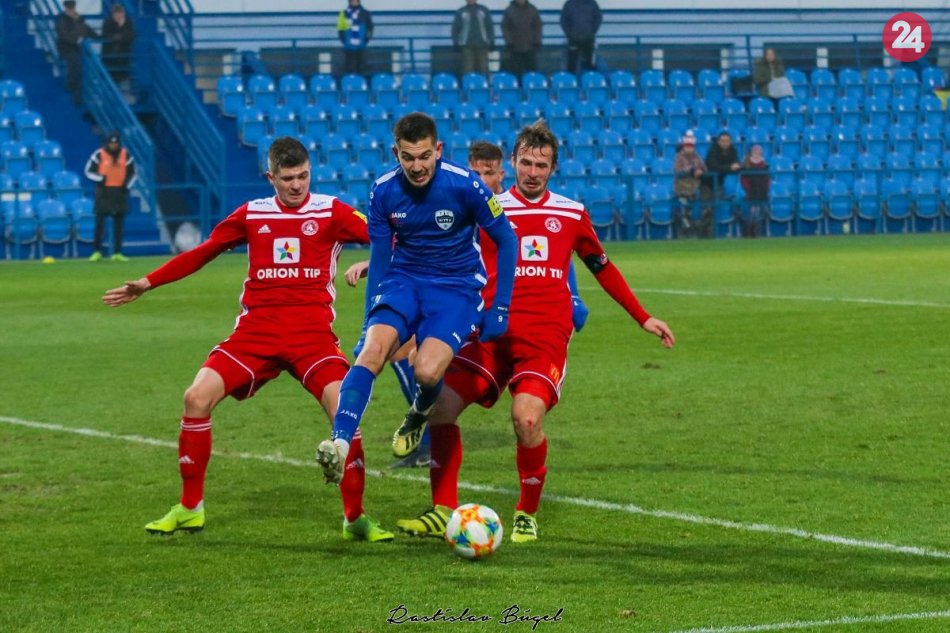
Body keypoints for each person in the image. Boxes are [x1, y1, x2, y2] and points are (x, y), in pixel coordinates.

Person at [393, 120, 675, 543]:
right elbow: (433, 242)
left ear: (553, 167)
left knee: (526, 419)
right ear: (512, 162)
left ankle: (526, 511)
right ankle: (441, 509)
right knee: (441, 408)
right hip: (490, 332)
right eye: (525, 162)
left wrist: (642, 316)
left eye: (541, 164)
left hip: (543, 337)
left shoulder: (571, 213)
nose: (532, 171)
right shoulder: (486, 206)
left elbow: (601, 266)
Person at [101, 137, 393, 543]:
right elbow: (204, 251)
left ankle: (356, 517)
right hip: (254, 335)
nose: (297, 185)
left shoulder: (332, 212)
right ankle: (190, 508)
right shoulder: (251, 214)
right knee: (195, 397)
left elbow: (389, 238)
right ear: (269, 177)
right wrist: (149, 283)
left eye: (303, 176)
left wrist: (368, 261)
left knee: (345, 408)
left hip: (312, 339)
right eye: (288, 178)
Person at [315, 113, 518, 485]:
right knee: (371, 354)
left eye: (424, 156)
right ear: (396, 152)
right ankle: (340, 443)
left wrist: (500, 305)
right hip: (404, 281)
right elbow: (379, 258)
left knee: (426, 370)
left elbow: (507, 239)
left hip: (456, 288)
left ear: (437, 150)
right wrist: (367, 323)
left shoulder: (466, 185)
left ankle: (420, 408)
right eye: (408, 157)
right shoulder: (383, 190)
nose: (417, 166)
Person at [84, 131, 136, 262]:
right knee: (99, 223)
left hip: (120, 193)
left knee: (119, 224)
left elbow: (134, 173)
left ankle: (117, 253)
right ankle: (97, 252)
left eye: (116, 143)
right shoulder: (99, 154)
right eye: (111, 143)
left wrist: (126, 185)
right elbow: (88, 171)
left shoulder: (126, 155)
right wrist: (101, 178)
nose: (113, 145)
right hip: (103, 193)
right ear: (107, 143)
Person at [55, 0, 97, 106]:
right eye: (69, 7)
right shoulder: (61, 19)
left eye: (72, 7)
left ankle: (77, 93)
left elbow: (88, 30)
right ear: (65, 8)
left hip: (78, 49)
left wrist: (98, 37)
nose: (71, 9)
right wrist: (77, 40)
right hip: (67, 49)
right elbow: (64, 35)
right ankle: (72, 89)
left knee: (81, 68)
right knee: (75, 65)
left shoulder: (78, 19)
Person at [672, 130, 707, 238]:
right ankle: (683, 233)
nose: (689, 148)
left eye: (691, 146)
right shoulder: (679, 156)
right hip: (682, 189)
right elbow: (678, 170)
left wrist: (700, 170)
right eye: (687, 146)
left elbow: (704, 167)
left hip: (695, 188)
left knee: (694, 212)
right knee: (683, 213)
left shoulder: (697, 156)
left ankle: (695, 232)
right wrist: (692, 171)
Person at [452, 0, 495, 76]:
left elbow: (489, 26)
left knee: (484, 69)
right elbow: (455, 28)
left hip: (482, 45)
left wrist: (491, 40)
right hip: (466, 46)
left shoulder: (483, 10)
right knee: (468, 69)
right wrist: (456, 42)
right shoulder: (461, 11)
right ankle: (469, 86)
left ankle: (485, 86)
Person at [501, 0, 543, 78]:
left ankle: (531, 87)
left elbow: (538, 26)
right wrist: (509, 42)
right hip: (515, 48)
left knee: (532, 72)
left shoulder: (532, 9)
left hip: (530, 47)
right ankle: (518, 88)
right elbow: (505, 27)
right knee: (516, 72)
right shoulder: (509, 10)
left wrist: (537, 41)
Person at [560, 0, 601, 74]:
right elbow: (563, 20)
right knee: (571, 64)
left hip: (588, 39)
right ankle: (571, 83)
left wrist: (591, 33)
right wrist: (569, 34)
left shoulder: (592, 3)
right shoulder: (569, 4)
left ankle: (589, 82)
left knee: (590, 64)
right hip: (573, 39)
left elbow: (598, 18)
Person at [739, 144, 769, 238]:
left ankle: (756, 230)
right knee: (751, 211)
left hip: (761, 191)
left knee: (758, 211)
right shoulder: (746, 165)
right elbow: (743, 179)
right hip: (750, 191)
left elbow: (767, 179)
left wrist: (765, 188)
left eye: (758, 150)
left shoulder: (764, 165)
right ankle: (748, 230)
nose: (757, 152)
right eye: (755, 150)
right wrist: (747, 189)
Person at [102, 3, 135, 86]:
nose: (118, 16)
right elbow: (107, 36)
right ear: (113, 14)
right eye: (116, 14)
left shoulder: (128, 22)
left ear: (123, 13)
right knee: (110, 80)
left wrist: (120, 32)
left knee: (123, 79)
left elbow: (131, 36)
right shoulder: (108, 23)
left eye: (120, 14)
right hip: (110, 58)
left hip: (124, 58)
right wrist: (121, 33)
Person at [337, 0, 374, 77]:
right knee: (349, 68)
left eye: (356, 1)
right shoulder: (343, 13)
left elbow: (370, 28)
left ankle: (360, 85)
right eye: (352, 1)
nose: (354, 2)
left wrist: (366, 40)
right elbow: (340, 29)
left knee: (361, 68)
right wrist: (344, 41)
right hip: (348, 47)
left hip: (361, 46)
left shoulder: (366, 13)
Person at [704, 131, 741, 197]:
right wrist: (729, 167)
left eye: (727, 141)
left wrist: (735, 166)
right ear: (718, 141)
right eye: (723, 141)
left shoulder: (733, 150)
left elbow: (736, 163)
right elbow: (713, 167)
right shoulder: (712, 151)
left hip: (723, 178)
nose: (725, 143)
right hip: (710, 181)